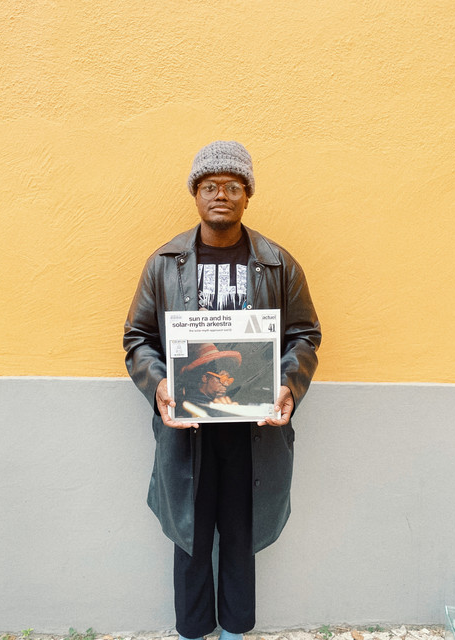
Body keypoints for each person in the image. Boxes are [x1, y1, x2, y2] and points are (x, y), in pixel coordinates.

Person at [123, 141, 321, 640]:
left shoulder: (277, 264)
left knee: (239, 532)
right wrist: (159, 384)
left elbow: (304, 334)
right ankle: (193, 630)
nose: (221, 195)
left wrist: (288, 384)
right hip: (187, 427)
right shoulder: (164, 263)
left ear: (247, 195)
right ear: (195, 193)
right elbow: (138, 338)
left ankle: (235, 630)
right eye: (210, 186)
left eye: (233, 186)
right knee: (189, 536)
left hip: (252, 429)